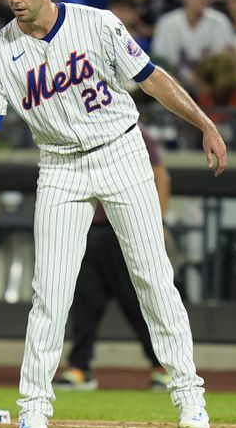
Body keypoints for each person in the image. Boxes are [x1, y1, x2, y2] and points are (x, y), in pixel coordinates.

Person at [0, 0, 227, 428]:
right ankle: (33, 405)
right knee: (50, 290)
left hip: (121, 152)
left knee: (153, 277)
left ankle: (189, 397)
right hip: (60, 165)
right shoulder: (1, 50)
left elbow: (151, 78)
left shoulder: (97, 23)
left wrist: (205, 123)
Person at [53, 125, 173, 393]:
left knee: (137, 300)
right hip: (87, 227)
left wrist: (157, 222)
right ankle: (79, 367)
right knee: (84, 300)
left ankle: (163, 366)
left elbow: (160, 176)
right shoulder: (75, 129)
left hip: (124, 228)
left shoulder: (132, 130)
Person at [151, 0, 234, 90]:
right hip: (174, 86)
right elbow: (161, 62)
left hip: (212, 88)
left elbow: (224, 62)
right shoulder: (167, 22)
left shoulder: (220, 22)